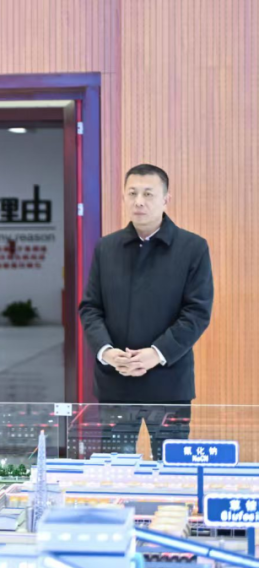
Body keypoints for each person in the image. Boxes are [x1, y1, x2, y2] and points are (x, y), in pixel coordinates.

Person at [78, 164, 213, 460]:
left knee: (171, 469)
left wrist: (156, 353)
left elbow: (197, 312)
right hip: (116, 380)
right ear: (124, 198)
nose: (139, 201)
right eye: (132, 193)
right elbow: (91, 308)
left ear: (166, 199)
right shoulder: (106, 248)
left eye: (148, 194)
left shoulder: (192, 248)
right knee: (117, 468)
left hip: (168, 382)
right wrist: (107, 352)